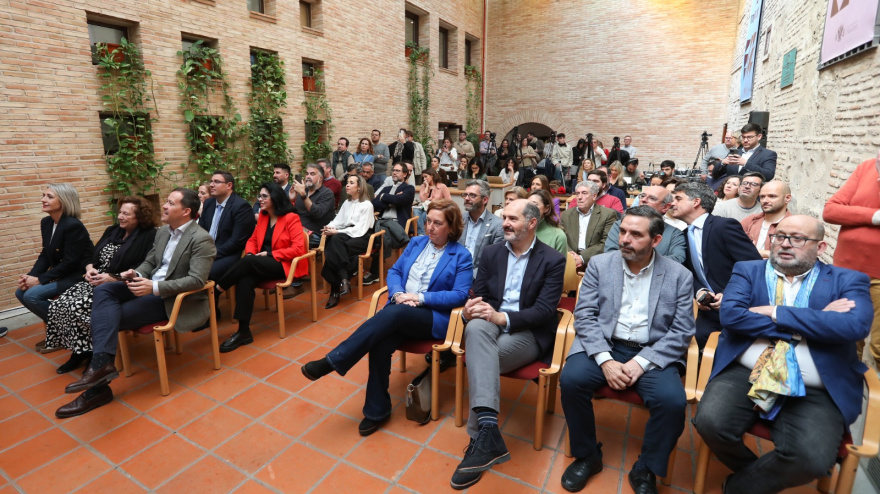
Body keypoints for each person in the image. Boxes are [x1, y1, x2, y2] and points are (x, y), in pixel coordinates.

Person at [693, 215, 872, 494]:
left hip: (815, 383)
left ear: (821, 247)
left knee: (810, 459)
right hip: (746, 372)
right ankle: (758, 475)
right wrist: (815, 321)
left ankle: (739, 488)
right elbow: (732, 317)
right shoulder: (748, 270)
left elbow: (854, 326)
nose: (785, 244)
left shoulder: (847, 280)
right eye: (779, 237)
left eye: (797, 239)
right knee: (709, 423)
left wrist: (774, 312)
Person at [302, 199, 473, 435]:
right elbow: (395, 271)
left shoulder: (461, 255)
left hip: (433, 317)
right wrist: (400, 293)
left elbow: (460, 295)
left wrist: (420, 298)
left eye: (438, 223)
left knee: (394, 314)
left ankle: (334, 360)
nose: (430, 227)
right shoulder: (417, 243)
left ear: (452, 228)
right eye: (428, 221)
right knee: (380, 343)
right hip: (401, 309)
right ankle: (376, 410)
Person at [559, 206, 695, 494]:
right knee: (571, 379)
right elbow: (584, 315)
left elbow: (682, 331)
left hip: (652, 350)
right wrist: (605, 360)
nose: (625, 239)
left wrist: (641, 363)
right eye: (622, 231)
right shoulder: (600, 265)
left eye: (636, 234)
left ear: (656, 240)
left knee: (672, 402)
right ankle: (587, 455)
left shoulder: (679, 276)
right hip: (606, 344)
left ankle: (647, 467)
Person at [56, 188, 215, 418]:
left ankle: (97, 387)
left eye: (170, 202)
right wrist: (136, 272)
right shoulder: (163, 233)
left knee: (108, 317)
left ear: (186, 211)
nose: (164, 205)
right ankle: (101, 365)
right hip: (145, 286)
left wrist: (154, 287)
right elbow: (150, 262)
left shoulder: (201, 239)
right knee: (106, 289)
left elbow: (197, 280)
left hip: (167, 297)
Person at [449, 199, 565, 490]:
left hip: (528, 330)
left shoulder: (552, 259)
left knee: (480, 360)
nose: (505, 223)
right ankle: (487, 431)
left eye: (513, 218)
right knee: (475, 326)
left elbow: (544, 311)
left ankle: (478, 438)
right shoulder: (491, 253)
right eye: (504, 218)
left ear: (532, 223)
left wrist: (502, 317)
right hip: (489, 322)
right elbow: (482, 291)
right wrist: (471, 306)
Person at [46, 197, 157, 374]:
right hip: (94, 280)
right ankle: (78, 351)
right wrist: (90, 268)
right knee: (59, 305)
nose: (120, 216)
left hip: (119, 284)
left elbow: (144, 266)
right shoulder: (113, 231)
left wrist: (112, 277)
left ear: (140, 217)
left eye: (126, 214)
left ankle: (93, 354)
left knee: (78, 307)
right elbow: (91, 255)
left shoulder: (149, 235)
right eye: (120, 212)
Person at [216, 183, 308, 353]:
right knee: (245, 278)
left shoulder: (291, 217)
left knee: (248, 263)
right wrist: (251, 254)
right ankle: (243, 331)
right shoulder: (264, 217)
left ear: (276, 198)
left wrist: (269, 254)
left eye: (265, 196)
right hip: (259, 263)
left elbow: (298, 249)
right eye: (260, 196)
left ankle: (218, 289)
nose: (260, 199)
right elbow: (252, 241)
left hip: (283, 264)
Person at [670, 182, 761, 347]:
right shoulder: (683, 235)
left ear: (696, 202)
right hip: (709, 312)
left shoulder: (724, 226)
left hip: (740, 307)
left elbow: (754, 266)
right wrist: (699, 291)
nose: (672, 203)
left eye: (678, 198)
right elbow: (688, 273)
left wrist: (729, 294)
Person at [17, 184, 94, 352]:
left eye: (50, 196)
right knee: (20, 291)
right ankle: (61, 333)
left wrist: (39, 280)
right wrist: (30, 277)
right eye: (44, 195)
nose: (43, 199)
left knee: (31, 296)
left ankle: (67, 333)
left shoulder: (73, 225)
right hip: (61, 274)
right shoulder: (46, 222)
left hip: (76, 276)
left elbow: (71, 263)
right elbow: (45, 254)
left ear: (64, 201)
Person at [823, 152, 880, 369]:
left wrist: (853, 214)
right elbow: (831, 210)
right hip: (848, 271)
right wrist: (874, 217)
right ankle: (847, 384)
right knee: (847, 336)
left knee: (878, 346)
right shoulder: (866, 167)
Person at [321, 175, 375, 309]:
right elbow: (338, 221)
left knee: (335, 245)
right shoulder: (347, 203)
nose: (347, 185)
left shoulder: (367, 205)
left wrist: (337, 232)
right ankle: (344, 279)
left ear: (359, 187)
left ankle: (335, 290)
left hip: (362, 237)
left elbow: (360, 230)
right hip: (347, 234)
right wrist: (329, 227)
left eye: (351, 183)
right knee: (335, 241)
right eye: (347, 182)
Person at [198, 170, 257, 285]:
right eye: (211, 181)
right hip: (206, 251)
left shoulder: (241, 206)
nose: (211, 185)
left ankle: (210, 301)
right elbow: (201, 231)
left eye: (216, 182)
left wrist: (211, 254)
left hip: (229, 253)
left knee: (204, 273)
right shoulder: (209, 203)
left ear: (229, 185)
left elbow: (236, 241)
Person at [605, 185, 687, 264]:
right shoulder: (621, 225)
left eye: (652, 198)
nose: (643, 200)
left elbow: (678, 259)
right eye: (642, 196)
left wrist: (640, 261)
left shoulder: (674, 234)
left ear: (665, 207)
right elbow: (610, 254)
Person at [364, 163, 416, 286]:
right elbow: (374, 204)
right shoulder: (387, 188)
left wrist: (384, 197)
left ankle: (375, 272)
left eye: (398, 171)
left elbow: (400, 200)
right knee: (363, 233)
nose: (394, 172)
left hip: (397, 224)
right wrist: (390, 200)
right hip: (381, 221)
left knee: (379, 237)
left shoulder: (409, 189)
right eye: (393, 170)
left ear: (405, 174)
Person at [560, 181, 617, 270]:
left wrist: (582, 257)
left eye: (584, 193)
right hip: (570, 261)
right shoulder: (566, 214)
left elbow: (606, 242)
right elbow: (562, 238)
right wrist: (571, 256)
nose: (579, 197)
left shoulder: (607, 214)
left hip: (595, 261)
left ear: (594, 196)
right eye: (577, 194)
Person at [461, 180, 505, 278]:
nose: (467, 198)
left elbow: (494, 260)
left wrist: (468, 276)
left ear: (485, 200)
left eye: (472, 195)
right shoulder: (459, 219)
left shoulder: (497, 225)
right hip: (455, 273)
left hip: (480, 278)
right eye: (465, 195)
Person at [741, 180, 792, 258]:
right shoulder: (750, 220)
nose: (765, 201)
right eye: (762, 197)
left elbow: (795, 256)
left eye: (772, 196)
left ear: (787, 198)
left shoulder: (795, 226)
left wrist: (761, 253)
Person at [291, 163, 336, 249]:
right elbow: (294, 213)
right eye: (307, 174)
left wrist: (304, 196)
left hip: (316, 235)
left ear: (320, 178)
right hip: (297, 230)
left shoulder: (327, 193)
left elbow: (317, 213)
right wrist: (291, 200)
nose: (308, 176)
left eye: (312, 174)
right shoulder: (303, 191)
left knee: (289, 240)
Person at [713, 122, 777, 181]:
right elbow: (715, 175)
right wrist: (722, 163)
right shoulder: (735, 152)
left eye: (749, 137)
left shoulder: (768, 154)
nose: (745, 140)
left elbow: (769, 175)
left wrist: (746, 164)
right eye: (743, 137)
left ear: (759, 137)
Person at [529, 190, 568, 255]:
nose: (529, 208)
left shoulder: (558, 236)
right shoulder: (520, 231)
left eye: (534, 204)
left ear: (546, 208)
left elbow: (559, 264)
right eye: (527, 204)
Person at [415, 168, 451, 235]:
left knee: (423, 215)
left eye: (426, 176)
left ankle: (421, 234)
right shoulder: (423, 186)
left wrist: (438, 204)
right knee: (416, 211)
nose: (424, 179)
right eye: (423, 177)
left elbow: (449, 201)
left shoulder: (442, 186)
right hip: (424, 208)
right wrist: (426, 187)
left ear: (432, 176)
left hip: (436, 209)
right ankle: (422, 234)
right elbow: (422, 200)